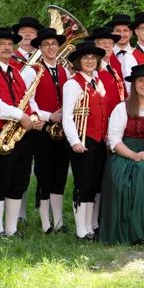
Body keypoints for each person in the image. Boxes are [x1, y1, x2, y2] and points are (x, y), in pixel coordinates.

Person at [0, 26, 44, 237]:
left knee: (19, 181)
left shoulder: (15, 71)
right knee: (0, 180)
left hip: (21, 133)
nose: (7, 47)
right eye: (1, 44)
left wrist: (34, 117)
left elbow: (26, 101)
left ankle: (12, 230)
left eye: (9, 44)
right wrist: (21, 117)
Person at [100, 63, 144, 243]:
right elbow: (114, 140)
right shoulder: (122, 108)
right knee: (137, 174)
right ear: (133, 85)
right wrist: (134, 155)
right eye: (140, 81)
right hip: (125, 155)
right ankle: (135, 232)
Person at [59, 41, 107, 239]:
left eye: (93, 58)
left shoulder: (97, 81)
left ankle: (91, 226)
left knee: (94, 184)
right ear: (78, 61)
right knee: (83, 184)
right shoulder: (73, 83)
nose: (90, 61)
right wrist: (74, 141)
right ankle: (81, 229)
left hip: (98, 140)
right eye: (85, 58)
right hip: (82, 139)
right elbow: (67, 115)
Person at [28, 27, 69, 234]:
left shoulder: (64, 70)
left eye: (54, 44)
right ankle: (45, 223)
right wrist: (48, 116)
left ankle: (59, 221)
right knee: (44, 173)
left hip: (61, 130)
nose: (51, 47)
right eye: (46, 44)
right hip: (42, 129)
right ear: (40, 48)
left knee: (60, 174)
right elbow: (29, 101)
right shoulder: (32, 70)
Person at [91, 26, 126, 112]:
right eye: (102, 42)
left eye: (110, 42)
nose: (107, 45)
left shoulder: (114, 70)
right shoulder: (92, 72)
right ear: (95, 46)